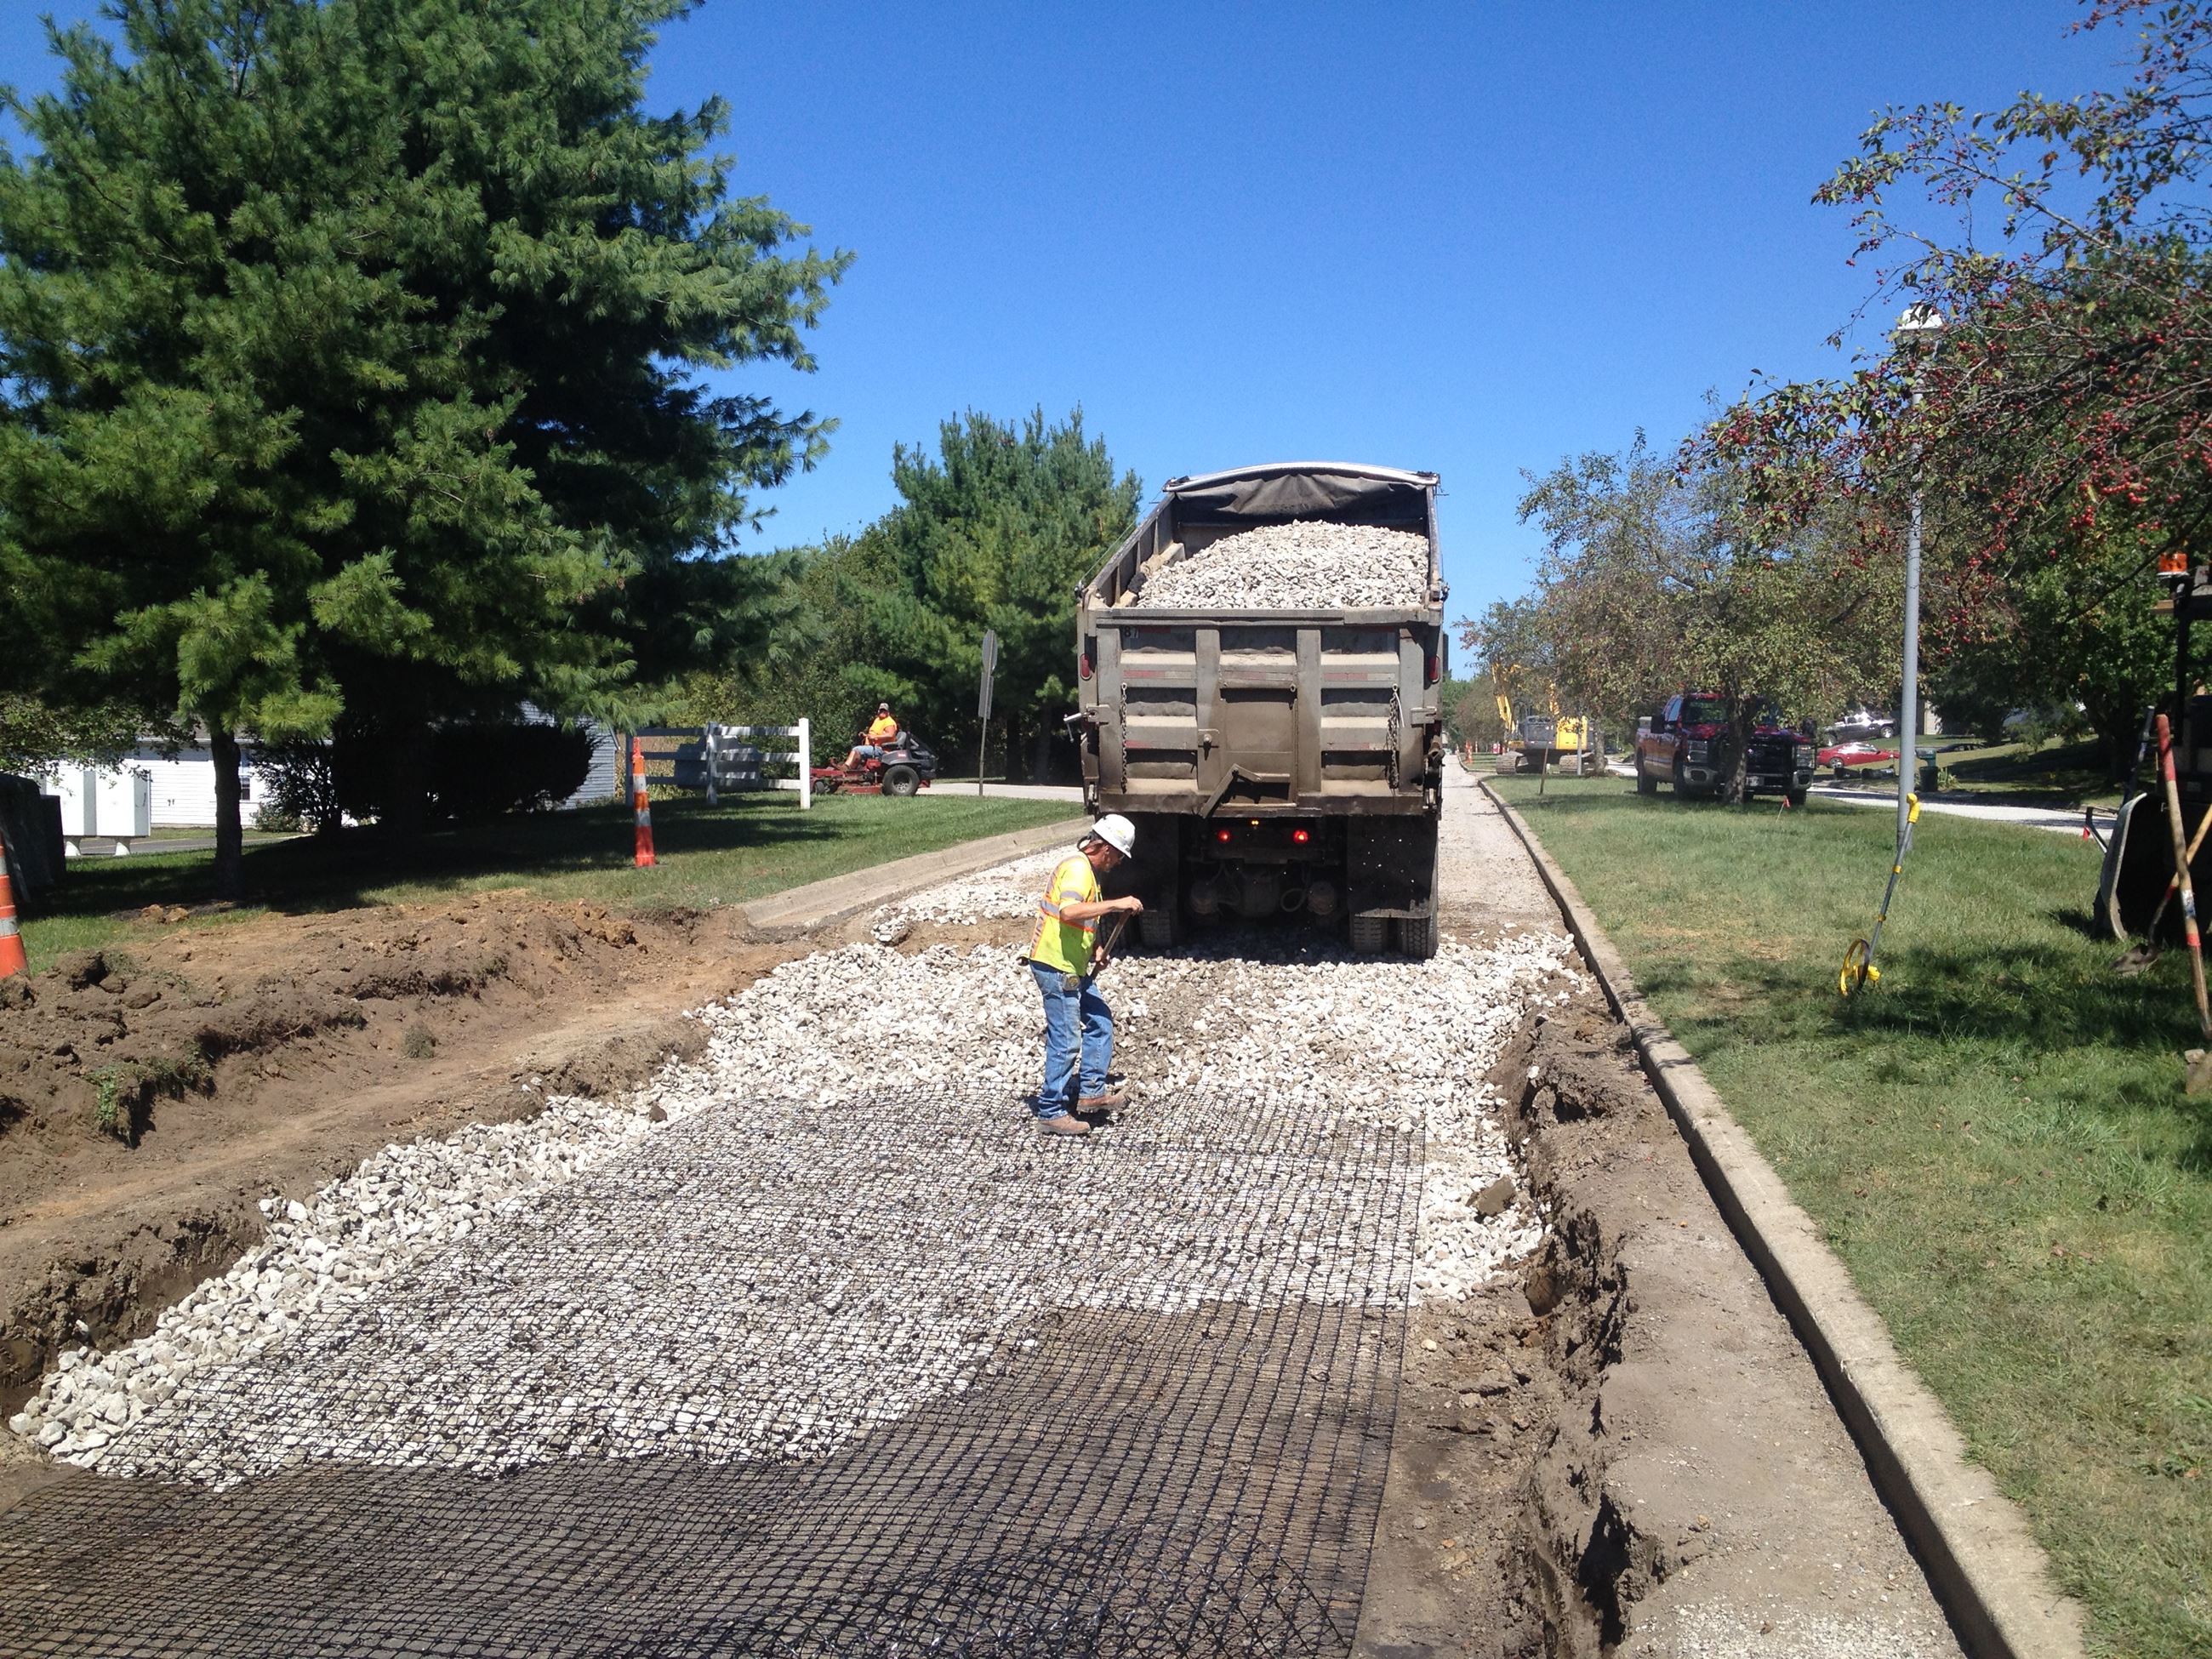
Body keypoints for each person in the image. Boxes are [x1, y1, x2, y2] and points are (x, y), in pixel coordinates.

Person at [1021, 814, 1144, 1137]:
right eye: (1118, 856)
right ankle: (1051, 1111)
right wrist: (1117, 904)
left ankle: (1091, 1092)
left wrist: (1096, 950)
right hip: (1055, 964)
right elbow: (1068, 911)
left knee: (1100, 1020)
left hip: (1073, 966)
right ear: (1105, 848)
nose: (1117, 863)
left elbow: (1084, 922)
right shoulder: (1077, 868)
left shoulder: (1089, 873)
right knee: (1065, 1040)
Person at [844, 703, 901, 769]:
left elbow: (890, 734)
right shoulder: (877, 720)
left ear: (888, 712)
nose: (882, 712)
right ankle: (853, 770)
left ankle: (846, 767)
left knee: (856, 749)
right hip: (872, 746)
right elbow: (874, 733)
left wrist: (875, 737)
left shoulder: (889, 722)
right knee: (858, 751)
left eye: (884, 711)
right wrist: (866, 735)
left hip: (881, 749)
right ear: (878, 711)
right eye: (881, 710)